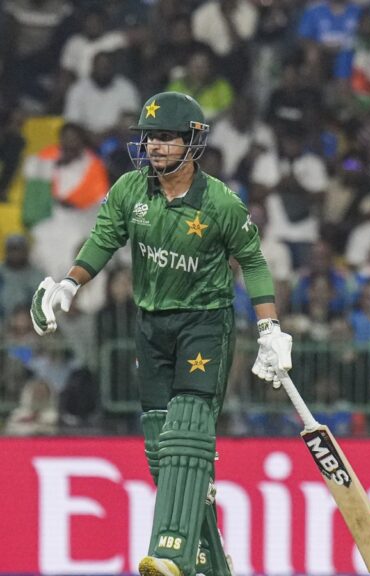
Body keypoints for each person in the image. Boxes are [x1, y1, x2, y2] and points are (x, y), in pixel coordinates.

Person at [29, 92, 292, 576]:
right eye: (149, 137)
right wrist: (71, 281)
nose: (154, 146)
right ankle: (212, 561)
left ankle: (170, 554)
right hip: (151, 325)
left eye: (166, 138)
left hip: (204, 324)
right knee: (158, 448)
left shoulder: (219, 202)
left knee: (187, 433)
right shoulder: (131, 190)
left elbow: (252, 262)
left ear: (193, 142)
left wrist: (270, 328)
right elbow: (105, 237)